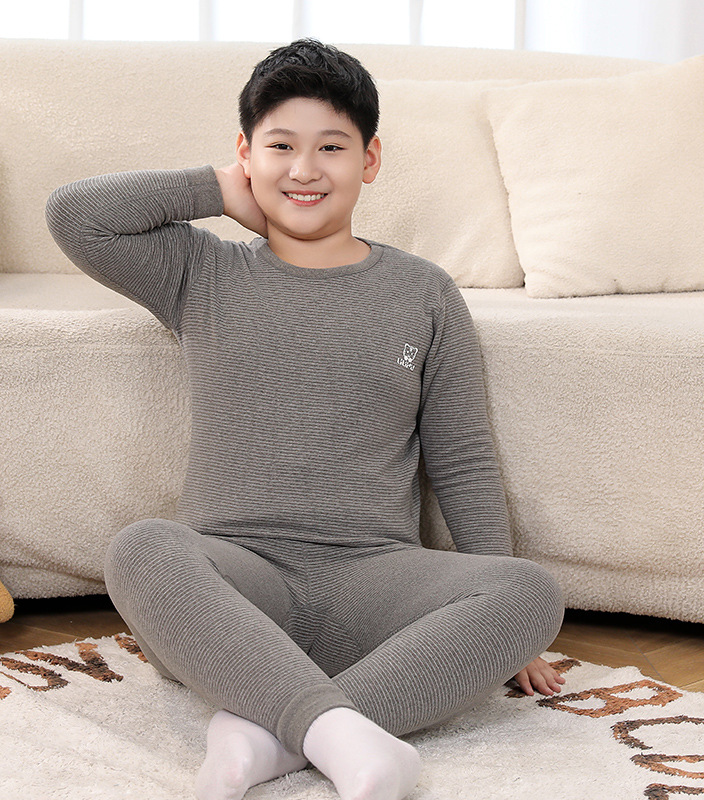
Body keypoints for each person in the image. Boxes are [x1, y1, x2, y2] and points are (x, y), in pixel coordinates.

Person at [46, 39, 566, 800]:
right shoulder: (202, 270)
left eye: (331, 147)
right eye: (281, 146)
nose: (304, 169)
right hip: (234, 592)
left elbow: (461, 458)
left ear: (370, 159)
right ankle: (339, 737)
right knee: (141, 548)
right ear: (245, 154)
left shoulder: (423, 292)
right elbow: (76, 216)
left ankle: (268, 737)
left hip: (374, 584)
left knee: (529, 593)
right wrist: (217, 190)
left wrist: (505, 634)